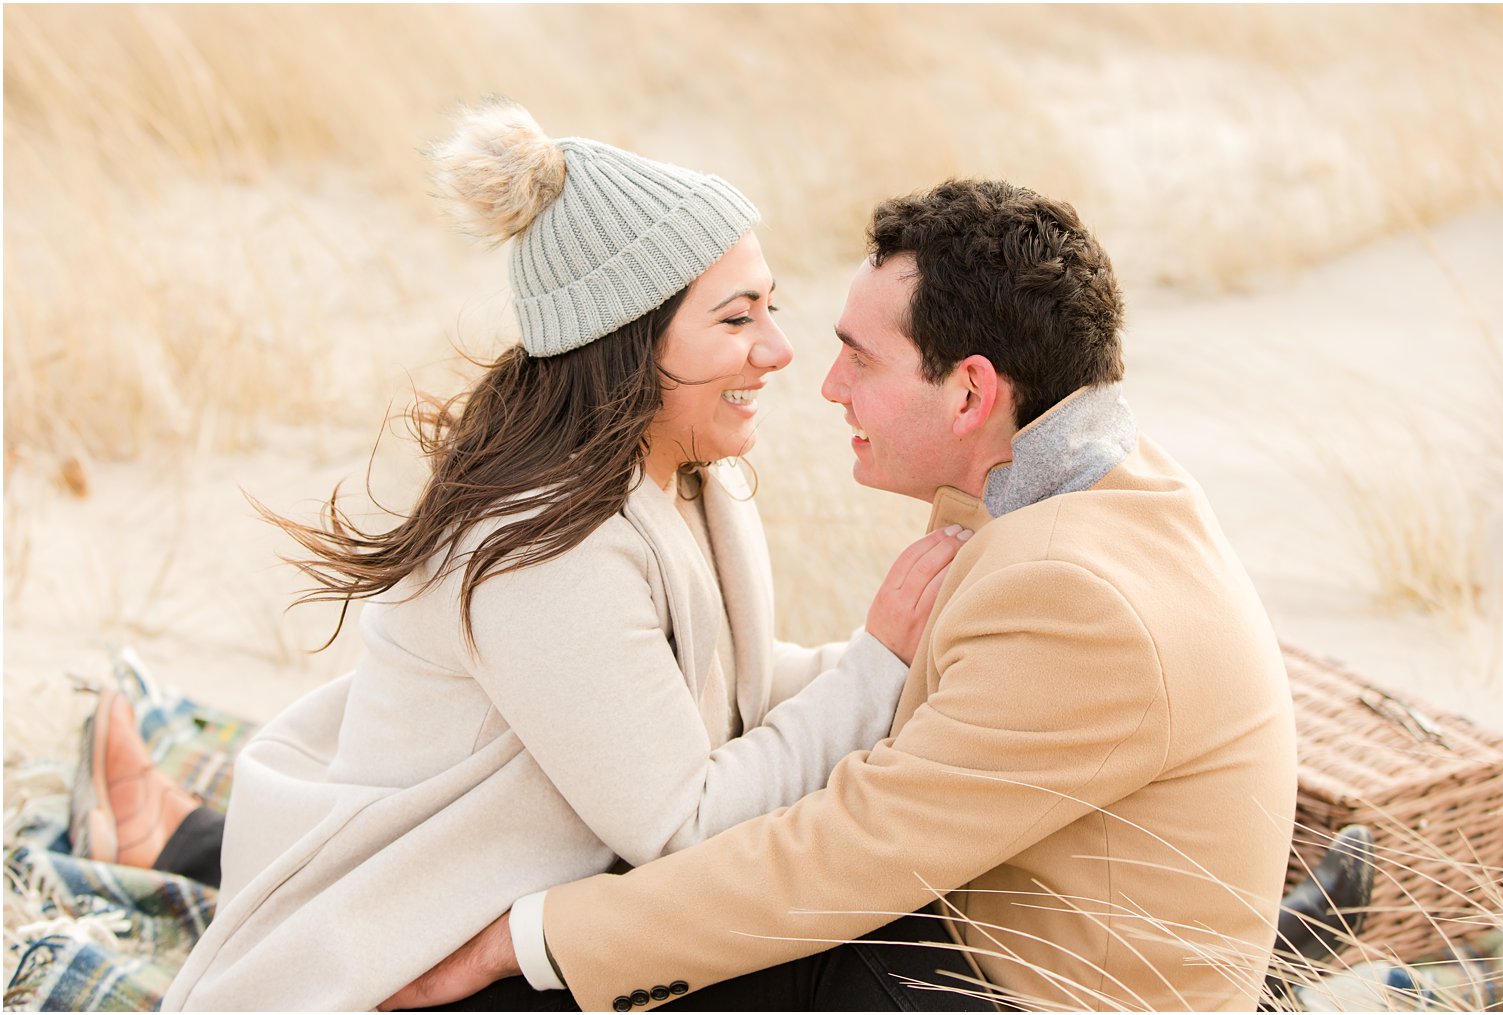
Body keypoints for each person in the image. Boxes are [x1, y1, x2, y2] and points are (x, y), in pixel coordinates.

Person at [98, 101, 976, 1012]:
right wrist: (876, 667)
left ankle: (172, 831)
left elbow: (719, 699)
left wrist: (920, 661)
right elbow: (685, 825)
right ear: (629, 340)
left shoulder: (683, 475)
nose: (780, 349)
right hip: (434, 962)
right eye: (735, 318)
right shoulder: (549, 544)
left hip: (523, 896)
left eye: (772, 307)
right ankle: (171, 834)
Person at [377, 181, 1304, 1013]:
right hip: (969, 941)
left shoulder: (1072, 589)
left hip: (1004, 989)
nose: (823, 384)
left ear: (972, 390)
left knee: (552, 985)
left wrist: (525, 938)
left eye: (859, 358)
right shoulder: (1096, 487)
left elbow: (841, 854)